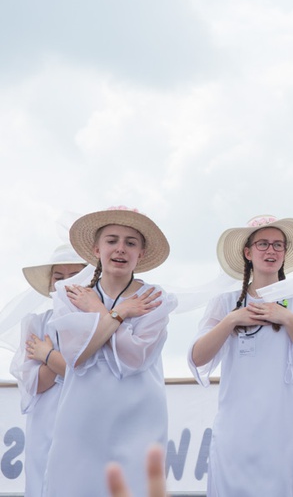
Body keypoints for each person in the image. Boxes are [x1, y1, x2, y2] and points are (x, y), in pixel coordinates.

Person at [44, 206, 177, 497]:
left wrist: (100, 313)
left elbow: (135, 358)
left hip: (139, 419)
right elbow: (77, 356)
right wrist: (119, 314)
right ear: (96, 249)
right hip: (82, 419)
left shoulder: (156, 298)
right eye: (112, 240)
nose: (121, 249)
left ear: (141, 254)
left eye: (131, 243)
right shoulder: (70, 294)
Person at [188, 215, 293, 496]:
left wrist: (289, 320)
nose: (271, 251)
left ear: (285, 253)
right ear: (248, 253)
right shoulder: (225, 302)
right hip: (235, 430)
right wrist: (231, 321)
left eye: (278, 245)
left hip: (284, 430)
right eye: (262, 244)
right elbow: (197, 357)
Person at [8, 245, 86, 497]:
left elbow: (90, 375)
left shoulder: (99, 322)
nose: (64, 284)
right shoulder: (36, 323)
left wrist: (47, 355)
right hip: (46, 421)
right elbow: (36, 384)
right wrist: (56, 362)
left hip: (86, 418)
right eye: (58, 277)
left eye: (74, 277)